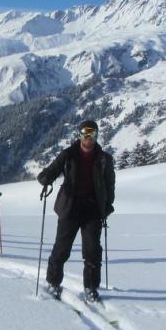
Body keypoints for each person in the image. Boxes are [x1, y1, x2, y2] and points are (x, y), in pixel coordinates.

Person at [36, 119, 115, 303]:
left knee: (92, 251)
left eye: (92, 134)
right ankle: (53, 282)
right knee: (61, 248)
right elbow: (53, 169)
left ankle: (91, 287)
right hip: (70, 207)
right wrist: (46, 177)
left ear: (97, 135)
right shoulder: (68, 154)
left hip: (92, 209)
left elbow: (110, 184)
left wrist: (107, 205)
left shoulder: (105, 159)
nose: (89, 138)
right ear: (79, 135)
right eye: (85, 133)